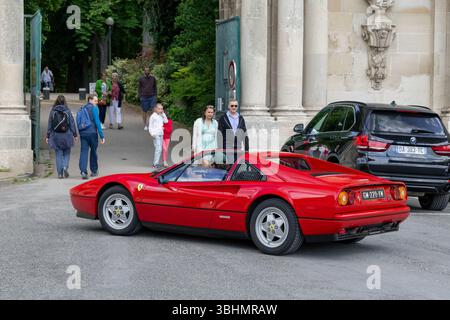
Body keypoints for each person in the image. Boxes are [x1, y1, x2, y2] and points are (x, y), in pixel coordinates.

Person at [46, 95, 77, 179]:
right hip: (67, 135)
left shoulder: (53, 111)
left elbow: (50, 124)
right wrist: (75, 134)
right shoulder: (67, 111)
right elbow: (72, 124)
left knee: (58, 155)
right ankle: (65, 167)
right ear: (64, 102)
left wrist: (48, 136)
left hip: (56, 135)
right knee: (67, 153)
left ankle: (60, 173)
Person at [78, 94, 105, 180]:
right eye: (95, 101)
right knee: (93, 151)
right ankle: (94, 170)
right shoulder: (94, 108)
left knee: (83, 152)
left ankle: (83, 171)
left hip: (83, 133)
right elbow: (97, 122)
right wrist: (102, 136)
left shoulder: (83, 108)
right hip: (93, 133)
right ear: (90, 100)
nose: (96, 103)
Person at [149, 103, 168, 169]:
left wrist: (163, 114)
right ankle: (155, 164)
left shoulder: (161, 115)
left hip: (161, 134)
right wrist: (152, 134)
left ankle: (156, 163)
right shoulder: (153, 116)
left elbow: (166, 121)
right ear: (155, 109)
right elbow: (150, 126)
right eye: (159, 109)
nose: (161, 110)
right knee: (158, 149)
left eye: (162, 109)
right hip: (155, 134)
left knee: (159, 149)